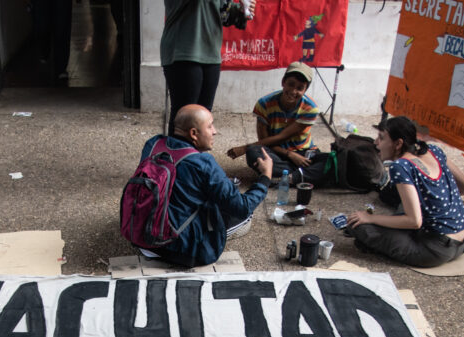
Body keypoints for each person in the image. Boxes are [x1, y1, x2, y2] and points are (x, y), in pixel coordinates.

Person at [138, 104, 273, 267]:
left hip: (143, 237)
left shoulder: (153, 144)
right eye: (210, 126)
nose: (215, 131)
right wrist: (265, 177)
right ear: (194, 133)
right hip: (181, 251)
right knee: (246, 217)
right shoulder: (203, 163)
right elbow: (243, 207)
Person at [343, 116, 464, 268]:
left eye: (381, 138)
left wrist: (370, 218)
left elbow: (414, 221)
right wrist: (437, 201)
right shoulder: (434, 151)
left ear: (398, 144)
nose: (376, 143)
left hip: (436, 250)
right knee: (405, 205)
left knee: (357, 226)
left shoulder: (401, 166)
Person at [225, 61, 324, 185]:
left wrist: (244, 148)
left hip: (303, 153)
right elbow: (266, 142)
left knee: (329, 161)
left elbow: (282, 137)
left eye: (299, 88)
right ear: (283, 82)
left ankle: (285, 176)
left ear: (305, 90)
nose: (293, 91)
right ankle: (300, 175)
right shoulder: (264, 104)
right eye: (291, 84)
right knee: (253, 153)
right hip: (276, 152)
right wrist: (290, 155)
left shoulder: (310, 108)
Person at [160, 0, 223, 137]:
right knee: (184, 114)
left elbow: (223, 12)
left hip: (210, 52)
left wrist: (241, 10)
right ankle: (177, 156)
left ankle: (196, 157)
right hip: (182, 52)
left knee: (204, 115)